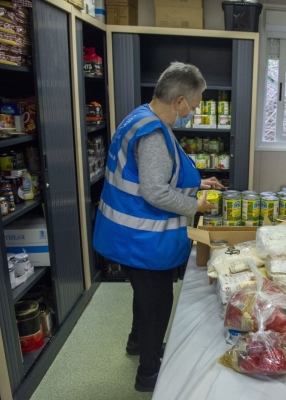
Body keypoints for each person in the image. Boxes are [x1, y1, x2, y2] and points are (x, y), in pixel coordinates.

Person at [93, 62, 224, 392]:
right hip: (142, 239)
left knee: (145, 297)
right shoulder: (153, 134)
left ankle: (138, 343)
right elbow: (154, 190)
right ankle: (148, 374)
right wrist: (195, 204)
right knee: (157, 303)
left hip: (127, 234)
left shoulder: (141, 117)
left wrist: (195, 183)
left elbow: (157, 176)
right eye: (192, 106)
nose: (192, 112)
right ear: (179, 101)